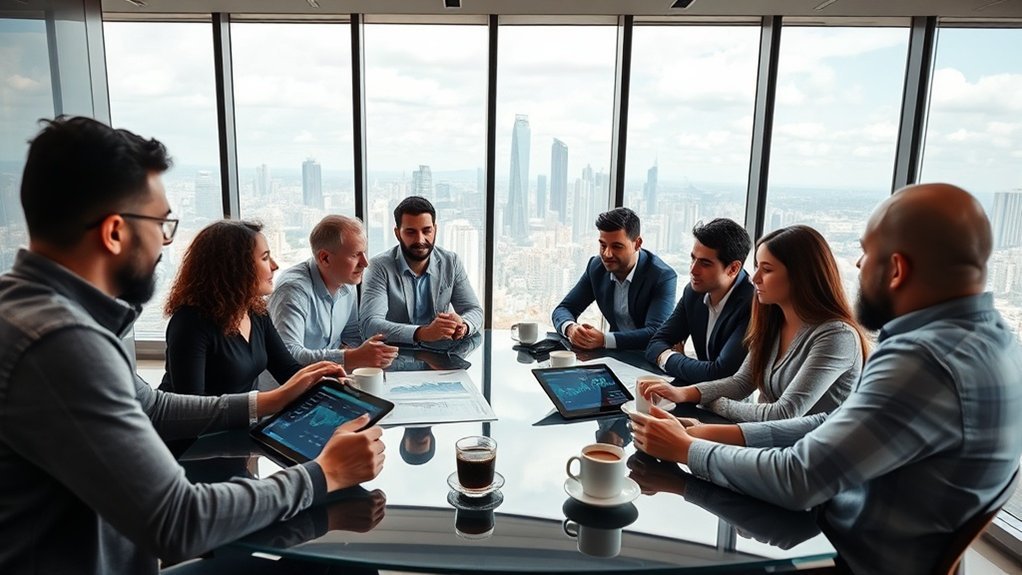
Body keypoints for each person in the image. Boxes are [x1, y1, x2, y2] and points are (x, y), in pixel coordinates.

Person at [0, 116, 385, 575]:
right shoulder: (61, 343)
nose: (165, 245)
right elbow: (178, 521)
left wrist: (270, 399)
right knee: (344, 568)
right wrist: (324, 475)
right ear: (115, 232)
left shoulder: (33, 312)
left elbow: (155, 407)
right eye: (162, 225)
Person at [629, 183, 1022, 575]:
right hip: (844, 526)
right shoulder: (993, 343)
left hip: (841, 555)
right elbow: (825, 424)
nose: (856, 265)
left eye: (867, 253)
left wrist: (686, 451)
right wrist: (703, 435)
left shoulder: (923, 362)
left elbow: (798, 478)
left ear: (898, 269)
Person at [641, 225, 866, 422]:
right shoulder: (773, 321)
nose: (754, 278)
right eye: (757, 266)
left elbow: (785, 413)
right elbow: (741, 383)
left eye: (766, 270)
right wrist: (683, 393)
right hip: (767, 441)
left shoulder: (837, 336)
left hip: (811, 458)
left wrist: (709, 402)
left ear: (801, 277)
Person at [159, 220, 303, 396]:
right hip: (204, 422)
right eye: (265, 258)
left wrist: (330, 382)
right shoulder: (190, 323)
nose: (274, 266)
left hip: (244, 419)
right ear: (235, 267)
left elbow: (288, 371)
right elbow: (191, 408)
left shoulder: (255, 312)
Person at [269, 215, 398, 370]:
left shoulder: (346, 281)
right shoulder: (292, 290)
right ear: (325, 258)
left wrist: (364, 356)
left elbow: (351, 335)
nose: (365, 263)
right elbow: (289, 354)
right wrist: (351, 357)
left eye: (364, 253)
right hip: (287, 388)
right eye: (355, 255)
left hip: (326, 379)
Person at [360, 196, 483, 345]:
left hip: (441, 358)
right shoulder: (379, 267)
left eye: (427, 231)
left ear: (435, 229)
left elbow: (475, 311)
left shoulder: (451, 262)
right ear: (397, 233)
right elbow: (370, 325)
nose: (420, 239)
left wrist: (464, 325)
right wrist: (422, 333)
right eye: (411, 232)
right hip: (394, 357)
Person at [645, 218, 754, 384]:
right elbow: (655, 344)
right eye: (693, 259)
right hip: (694, 393)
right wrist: (682, 361)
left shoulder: (752, 304)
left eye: (705, 263)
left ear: (733, 268)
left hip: (730, 404)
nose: (693, 270)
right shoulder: (694, 292)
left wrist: (667, 357)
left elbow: (720, 374)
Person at [552, 207, 677, 350]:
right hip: (613, 356)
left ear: (637, 244)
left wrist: (605, 340)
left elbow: (655, 332)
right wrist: (570, 328)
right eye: (603, 245)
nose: (607, 254)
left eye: (617, 246)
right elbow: (564, 308)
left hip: (648, 358)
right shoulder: (596, 267)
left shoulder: (662, 276)